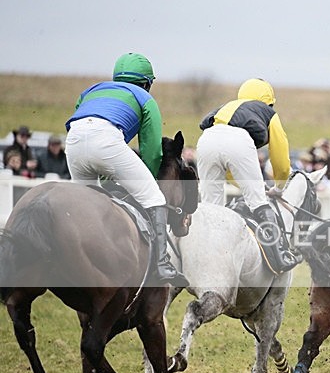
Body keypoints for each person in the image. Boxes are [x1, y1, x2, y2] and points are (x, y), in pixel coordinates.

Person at [65, 52, 188, 287]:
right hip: (106, 141)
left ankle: (81, 262)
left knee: (87, 210)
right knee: (153, 197)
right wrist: (150, 180)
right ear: (146, 83)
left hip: (73, 141)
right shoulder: (144, 97)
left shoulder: (92, 90)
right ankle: (162, 265)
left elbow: (81, 119)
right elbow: (151, 151)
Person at [197, 78, 296, 273]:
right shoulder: (267, 112)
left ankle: (204, 258)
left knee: (211, 207)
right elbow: (281, 159)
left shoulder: (226, 107)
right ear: (269, 100)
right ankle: (280, 256)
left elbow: (229, 168)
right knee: (258, 202)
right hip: (238, 141)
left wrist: (246, 185)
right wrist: (278, 187)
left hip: (206, 140)